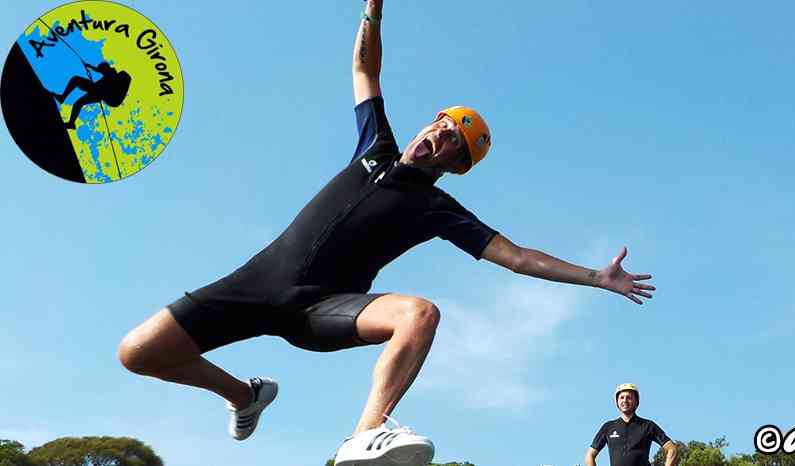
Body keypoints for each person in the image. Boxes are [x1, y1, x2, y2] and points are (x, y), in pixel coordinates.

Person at [115, 1, 656, 465]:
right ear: (427, 123)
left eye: (451, 146)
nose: (438, 139)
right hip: (253, 287)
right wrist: (373, 9)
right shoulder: (375, 144)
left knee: (420, 313)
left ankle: (367, 432)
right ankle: (244, 396)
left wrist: (594, 277)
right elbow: (364, 71)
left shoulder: (436, 208)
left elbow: (514, 257)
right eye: (440, 127)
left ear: (456, 166)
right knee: (137, 353)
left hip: (321, 309)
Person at [585, 384, 678, 466]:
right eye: (621, 397)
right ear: (617, 402)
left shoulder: (648, 425)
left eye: (629, 397)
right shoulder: (608, 427)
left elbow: (672, 448)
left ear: (636, 402)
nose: (625, 400)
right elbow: (590, 455)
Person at [52, 61, 131, 130]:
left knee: (75, 79)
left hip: (100, 93)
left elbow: (100, 70)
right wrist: (89, 66)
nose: (101, 72)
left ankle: (62, 98)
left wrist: (90, 66)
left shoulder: (112, 73)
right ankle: (71, 123)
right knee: (78, 103)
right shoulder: (108, 76)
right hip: (99, 94)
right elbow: (100, 71)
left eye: (102, 70)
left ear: (105, 68)